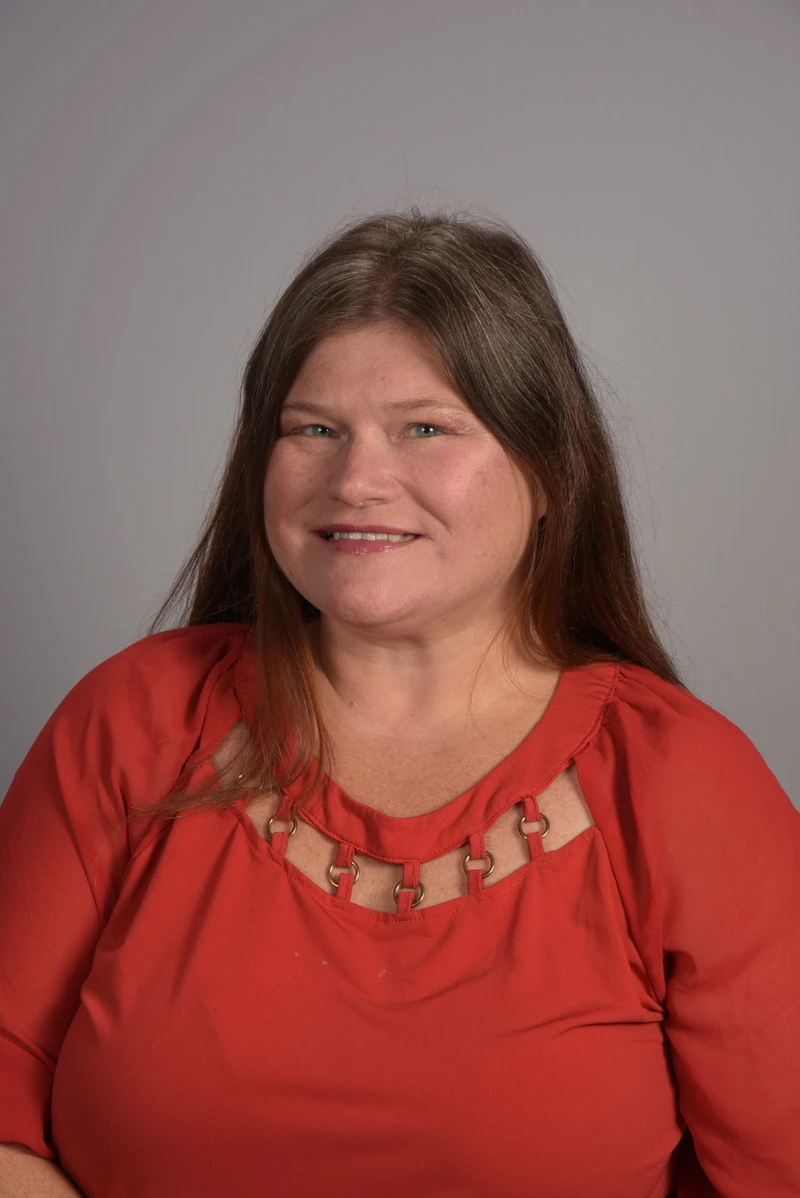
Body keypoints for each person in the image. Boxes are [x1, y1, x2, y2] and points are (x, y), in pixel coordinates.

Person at [0, 208, 798, 1198]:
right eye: (312, 430)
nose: (356, 479)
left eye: (424, 427)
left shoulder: (685, 783)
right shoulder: (130, 720)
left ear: (548, 468)